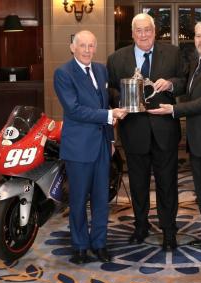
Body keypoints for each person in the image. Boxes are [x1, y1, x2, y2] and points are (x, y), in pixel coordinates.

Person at [148, 21, 201, 266]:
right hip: (197, 142)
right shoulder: (196, 64)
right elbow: (186, 86)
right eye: (198, 36)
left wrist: (173, 109)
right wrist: (170, 84)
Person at [107, 13, 186, 251]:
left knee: (167, 185)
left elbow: (185, 81)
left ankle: (169, 232)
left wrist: (171, 83)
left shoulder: (172, 53)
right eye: (139, 30)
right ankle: (140, 227)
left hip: (165, 133)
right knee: (139, 185)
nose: (143, 35)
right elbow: (109, 90)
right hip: (134, 132)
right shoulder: (116, 58)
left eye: (148, 30)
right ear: (132, 33)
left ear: (154, 31)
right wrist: (123, 97)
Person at [54, 30, 127, 264]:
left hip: (103, 146)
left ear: (96, 48)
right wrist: (108, 115)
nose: (87, 50)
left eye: (91, 46)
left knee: (100, 198)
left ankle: (99, 243)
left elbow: (103, 102)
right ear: (72, 47)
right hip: (78, 147)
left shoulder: (100, 70)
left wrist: (112, 140)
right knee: (77, 199)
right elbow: (74, 109)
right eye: (82, 45)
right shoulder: (63, 73)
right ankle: (79, 246)